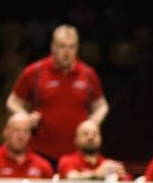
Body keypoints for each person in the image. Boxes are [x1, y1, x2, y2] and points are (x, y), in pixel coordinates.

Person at [6, 24, 108, 164]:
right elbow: (12, 102)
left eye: (71, 47)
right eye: (62, 46)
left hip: (77, 155)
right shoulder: (34, 72)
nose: (67, 52)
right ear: (52, 47)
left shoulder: (88, 74)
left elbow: (102, 106)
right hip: (41, 152)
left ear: (77, 49)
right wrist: (26, 118)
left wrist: (92, 122)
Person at [0, 111, 54, 181]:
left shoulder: (43, 166)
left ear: (30, 135)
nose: (21, 136)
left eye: (25, 131)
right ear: (5, 132)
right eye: (16, 130)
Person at [57, 120, 128, 181]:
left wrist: (119, 177)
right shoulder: (67, 161)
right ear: (76, 140)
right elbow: (71, 179)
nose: (90, 137)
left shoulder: (109, 164)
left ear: (101, 138)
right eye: (85, 134)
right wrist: (96, 174)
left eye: (95, 134)